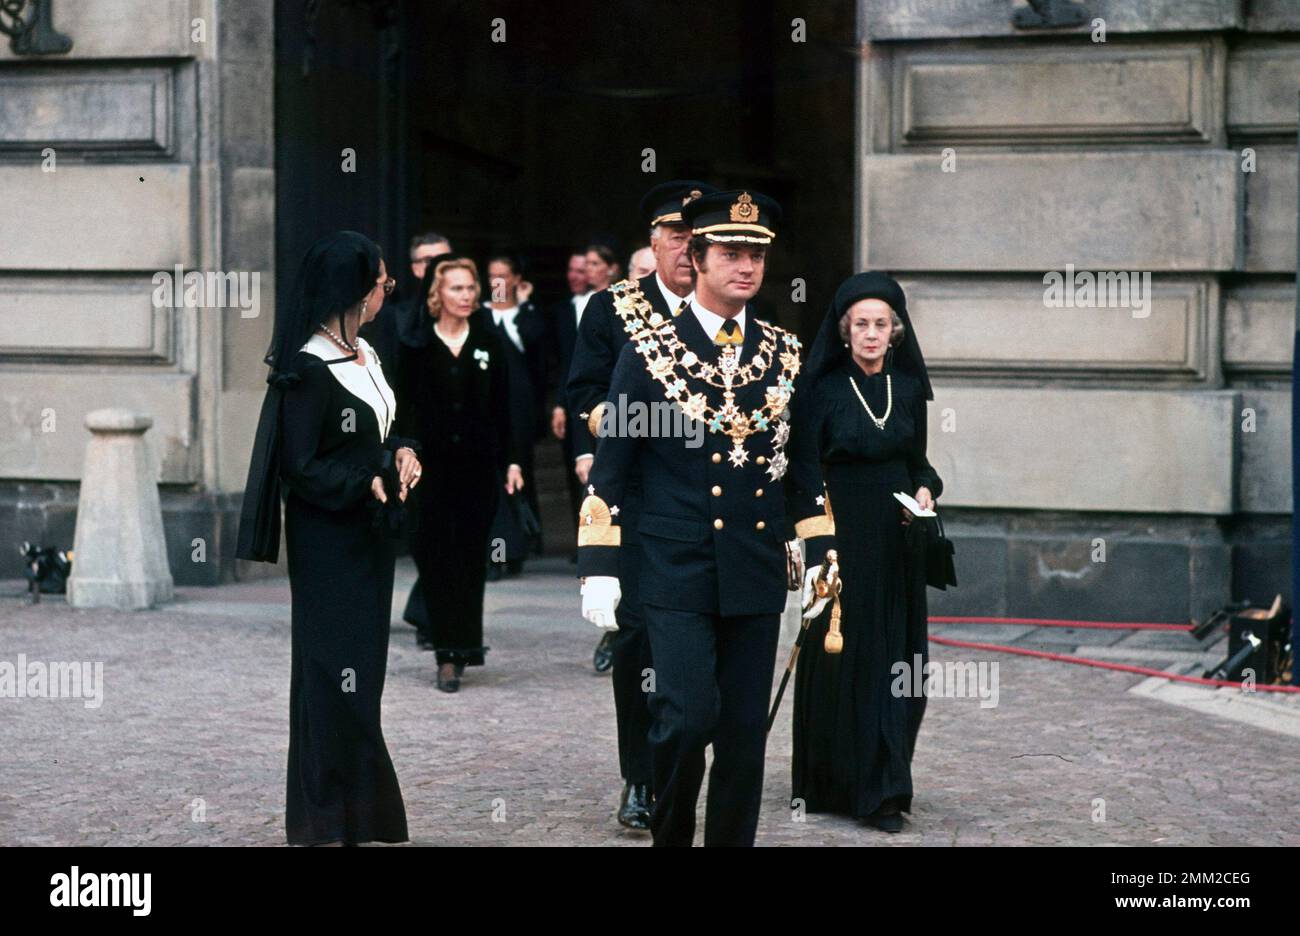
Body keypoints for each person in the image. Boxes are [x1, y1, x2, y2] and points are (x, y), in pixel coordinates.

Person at [576, 190, 838, 846]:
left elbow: (805, 476)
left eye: (756, 254)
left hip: (752, 567)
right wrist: (600, 567)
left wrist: (822, 558)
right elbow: (611, 471)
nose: (746, 266)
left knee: (745, 737)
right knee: (687, 720)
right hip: (674, 566)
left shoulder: (782, 354)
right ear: (696, 257)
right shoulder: (649, 351)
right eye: (730, 253)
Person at [236, 230, 422, 845]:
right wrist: (362, 480)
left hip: (370, 542)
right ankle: (324, 820)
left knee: (362, 678)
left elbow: (384, 429)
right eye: (382, 283)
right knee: (330, 677)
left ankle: (361, 813)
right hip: (328, 548)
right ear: (355, 289)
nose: (386, 294)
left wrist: (402, 453)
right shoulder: (307, 370)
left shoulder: (368, 354)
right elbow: (302, 468)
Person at [565, 180, 716, 830]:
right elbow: (584, 390)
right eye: (677, 237)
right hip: (633, 497)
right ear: (653, 242)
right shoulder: (614, 308)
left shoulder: (728, 315)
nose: (687, 249)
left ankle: (691, 771)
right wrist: (608, 434)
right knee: (637, 645)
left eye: (696, 238)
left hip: (706, 503)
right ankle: (640, 778)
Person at [791, 272, 943, 833]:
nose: (872, 334)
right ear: (844, 330)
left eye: (882, 324)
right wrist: (819, 548)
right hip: (841, 537)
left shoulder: (908, 390)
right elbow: (804, 472)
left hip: (898, 538)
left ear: (896, 331)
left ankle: (886, 783)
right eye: (862, 324)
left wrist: (928, 490)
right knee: (846, 659)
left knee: (899, 661)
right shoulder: (821, 391)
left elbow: (920, 462)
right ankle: (836, 781)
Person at [397, 254, 524, 692]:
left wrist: (511, 460)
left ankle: (463, 647)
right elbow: (402, 411)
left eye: (471, 288)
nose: (467, 296)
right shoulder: (415, 345)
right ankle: (444, 651)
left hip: (477, 472)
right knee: (434, 557)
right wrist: (403, 452)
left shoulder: (488, 343)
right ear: (437, 293)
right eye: (456, 288)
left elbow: (506, 408)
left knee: (470, 559)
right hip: (427, 474)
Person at [482, 252, 548, 578]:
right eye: (491, 275)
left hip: (519, 405)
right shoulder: (478, 314)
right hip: (485, 403)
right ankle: (497, 549)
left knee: (517, 469)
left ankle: (520, 541)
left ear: (517, 280)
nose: (497, 283)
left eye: (503, 276)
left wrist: (524, 307)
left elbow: (539, 355)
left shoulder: (528, 316)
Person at [358, 231, 452, 388]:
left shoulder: (480, 315)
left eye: (446, 259)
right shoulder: (393, 317)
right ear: (416, 269)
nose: (439, 266)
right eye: (429, 260)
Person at [546, 250, 593, 560]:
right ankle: (583, 539)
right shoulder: (560, 311)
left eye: (583, 269)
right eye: (572, 270)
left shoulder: (613, 304)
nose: (575, 276)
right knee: (578, 466)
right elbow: (558, 363)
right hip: (573, 397)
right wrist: (558, 404)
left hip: (609, 402)